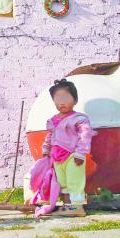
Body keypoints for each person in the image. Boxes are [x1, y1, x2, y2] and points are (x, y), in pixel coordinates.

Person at [41, 79, 95, 217]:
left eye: (65, 98)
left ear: (75, 100)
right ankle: (66, 205)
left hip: (72, 155)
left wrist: (80, 153)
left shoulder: (79, 119)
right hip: (57, 156)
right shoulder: (53, 120)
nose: (61, 102)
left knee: (74, 180)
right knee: (63, 182)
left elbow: (85, 135)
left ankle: (77, 207)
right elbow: (50, 135)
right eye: (57, 99)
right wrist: (46, 149)